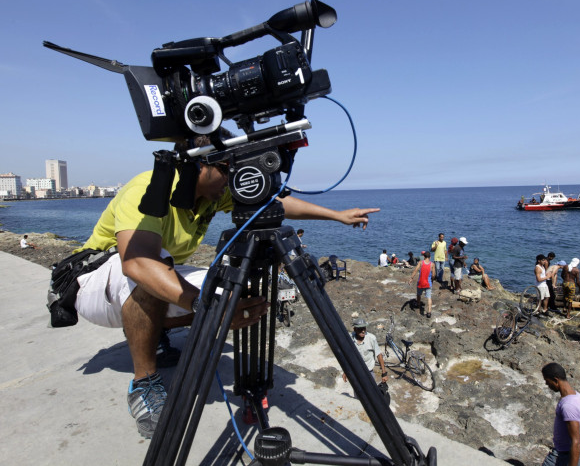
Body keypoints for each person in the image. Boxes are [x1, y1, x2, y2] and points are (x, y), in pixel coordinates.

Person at [72, 147, 380, 439]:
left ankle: (157, 333)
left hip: (133, 280)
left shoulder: (211, 194)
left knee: (229, 288)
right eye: (228, 169)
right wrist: (207, 309)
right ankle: (144, 384)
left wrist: (337, 215)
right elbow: (136, 263)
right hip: (93, 283)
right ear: (201, 164)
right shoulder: (150, 188)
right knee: (152, 269)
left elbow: (276, 205)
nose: (235, 177)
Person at [541, 363, 580, 466]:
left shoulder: (568, 405)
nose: (547, 384)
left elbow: (575, 441)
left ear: (555, 380)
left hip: (565, 455)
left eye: (547, 381)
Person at [342, 318, 388, 384]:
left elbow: (379, 355)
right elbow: (348, 356)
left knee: (371, 392)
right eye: (360, 329)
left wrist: (384, 373)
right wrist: (346, 371)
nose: (363, 331)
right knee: (358, 393)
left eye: (364, 328)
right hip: (356, 372)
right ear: (355, 329)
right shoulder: (350, 339)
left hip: (369, 372)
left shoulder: (371, 338)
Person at [408, 251, 436, 318]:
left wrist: (411, 278)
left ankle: (418, 304)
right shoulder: (432, 264)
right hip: (428, 283)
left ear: (424, 257)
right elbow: (433, 275)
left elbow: (415, 270)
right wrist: (432, 280)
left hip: (421, 282)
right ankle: (429, 312)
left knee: (418, 294)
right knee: (429, 297)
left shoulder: (421, 262)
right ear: (430, 257)